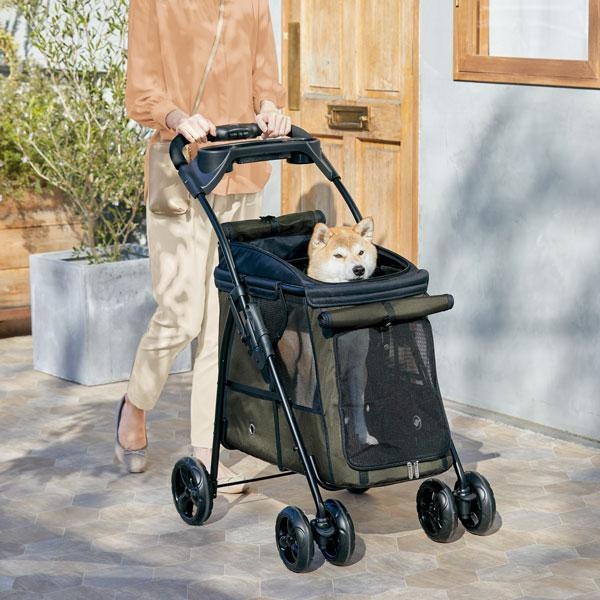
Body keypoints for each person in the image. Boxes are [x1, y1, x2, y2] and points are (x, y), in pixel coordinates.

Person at [116, 0, 290, 489]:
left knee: (221, 320)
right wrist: (176, 116)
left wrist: (270, 109)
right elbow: (141, 90)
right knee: (181, 313)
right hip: (182, 171)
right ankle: (135, 401)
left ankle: (203, 447)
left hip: (240, 169)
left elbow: (265, 79)